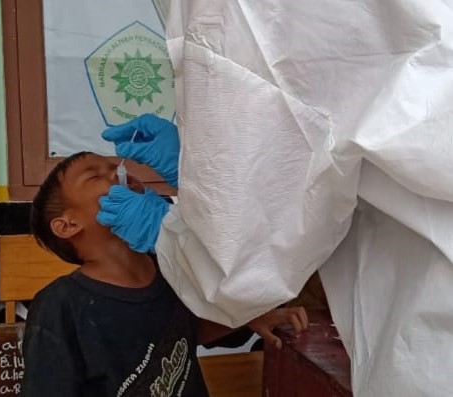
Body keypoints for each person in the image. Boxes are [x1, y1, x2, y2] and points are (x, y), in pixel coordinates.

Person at [98, 1, 453, 396]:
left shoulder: (227, 8)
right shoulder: (65, 307)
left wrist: (166, 231)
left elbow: (237, 267)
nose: (108, 176)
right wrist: (201, 162)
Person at [22, 151, 309, 396]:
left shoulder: (167, 265)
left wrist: (248, 316)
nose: (117, 173)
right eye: (94, 176)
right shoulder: (60, 305)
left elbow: (185, 330)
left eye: (113, 167)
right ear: (68, 225)